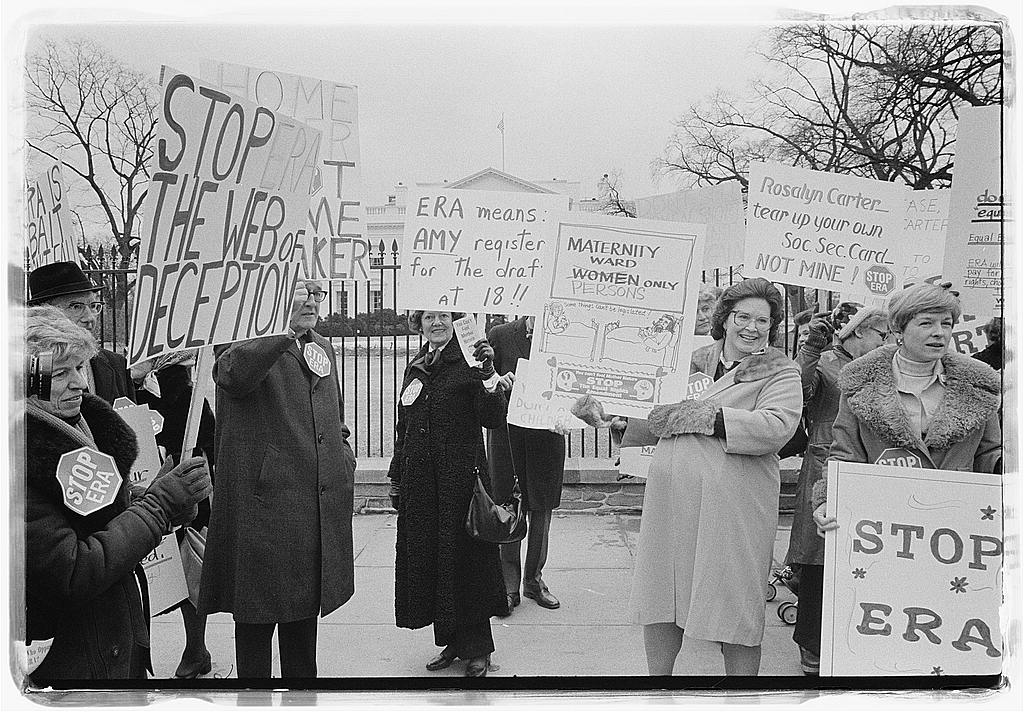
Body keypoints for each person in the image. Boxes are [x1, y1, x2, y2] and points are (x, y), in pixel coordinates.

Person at [626, 277, 803, 675]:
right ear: (725, 318)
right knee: (663, 593)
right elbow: (645, 412)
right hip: (672, 500)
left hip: (735, 507)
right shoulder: (687, 360)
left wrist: (715, 417)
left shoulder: (781, 372)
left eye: (763, 320)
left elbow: (778, 426)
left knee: (735, 601)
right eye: (743, 316)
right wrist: (611, 413)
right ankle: (658, 686)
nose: (751, 328)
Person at [24, 306, 211, 680]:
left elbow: (102, 517)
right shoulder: (19, 459)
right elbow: (74, 570)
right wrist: (159, 506)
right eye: (61, 373)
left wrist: (161, 500)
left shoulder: (79, 426)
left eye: (80, 367)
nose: (80, 382)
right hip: (72, 665)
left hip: (113, 643)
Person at [199, 280, 356, 679]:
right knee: (255, 624)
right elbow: (232, 374)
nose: (313, 301)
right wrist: (281, 331)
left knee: (303, 627)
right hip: (264, 511)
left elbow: (332, 415)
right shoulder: (240, 339)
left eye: (317, 293)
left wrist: (343, 454)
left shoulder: (320, 344)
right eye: (302, 291)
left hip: (310, 508)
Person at [813, 282, 1002, 532]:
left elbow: (990, 456)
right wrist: (829, 501)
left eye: (946, 323)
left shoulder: (978, 384)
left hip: (958, 524)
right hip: (883, 524)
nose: (939, 333)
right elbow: (846, 456)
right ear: (899, 329)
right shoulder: (860, 382)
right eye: (926, 323)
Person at [389, 310, 508, 677]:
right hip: (423, 486)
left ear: (454, 322)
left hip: (461, 486)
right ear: (419, 324)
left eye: (442, 316)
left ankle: (479, 649)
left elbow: (493, 417)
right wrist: (396, 478)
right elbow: (403, 427)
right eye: (428, 318)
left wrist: (488, 375)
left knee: (467, 564)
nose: (435, 323)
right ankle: (453, 642)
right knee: (436, 562)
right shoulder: (417, 365)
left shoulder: (472, 361)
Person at [783, 304, 888, 675]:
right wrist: (811, 346)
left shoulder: (881, 365)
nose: (886, 340)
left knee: (859, 555)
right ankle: (811, 643)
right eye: (880, 333)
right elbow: (799, 390)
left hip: (869, 462)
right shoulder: (827, 360)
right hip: (824, 464)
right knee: (818, 556)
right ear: (859, 332)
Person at [131, 350, 216, 678]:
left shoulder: (188, 398)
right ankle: (195, 647)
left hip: (184, 494)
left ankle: (196, 647)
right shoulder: (135, 387)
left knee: (186, 572)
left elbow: (206, 441)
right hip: (150, 487)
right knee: (170, 574)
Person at [486, 315, 564, 613]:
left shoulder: (564, 336)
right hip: (507, 438)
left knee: (541, 509)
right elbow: (483, 380)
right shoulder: (501, 335)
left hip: (548, 437)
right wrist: (497, 382)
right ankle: (508, 586)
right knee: (508, 510)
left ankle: (534, 581)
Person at [28, 261, 135, 404]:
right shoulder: (29, 368)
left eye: (93, 306)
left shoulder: (117, 364)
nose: (89, 317)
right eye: (76, 306)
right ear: (43, 312)